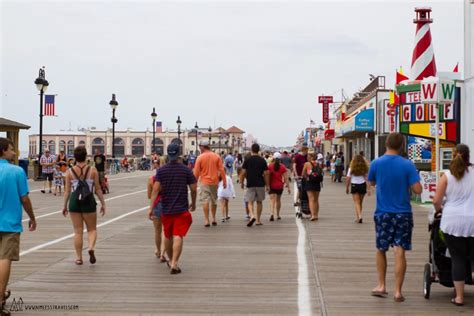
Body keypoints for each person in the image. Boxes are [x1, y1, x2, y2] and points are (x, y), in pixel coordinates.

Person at [367, 132, 422, 302]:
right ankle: (398, 291)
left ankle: (382, 285)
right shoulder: (408, 165)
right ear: (402, 146)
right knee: (400, 251)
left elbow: (371, 182)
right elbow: (418, 190)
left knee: (381, 249)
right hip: (403, 213)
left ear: (386, 144)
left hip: (383, 213)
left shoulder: (376, 163)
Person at [433, 144, 474, 306]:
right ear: (468, 156)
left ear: (454, 156)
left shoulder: (447, 176)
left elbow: (436, 200)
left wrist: (439, 210)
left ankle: (459, 297)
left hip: (452, 222)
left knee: (457, 258)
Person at [0, 138, 36, 316]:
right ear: (4, 151)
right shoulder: (16, 171)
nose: (14, 153)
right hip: (9, 222)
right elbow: (24, 199)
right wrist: (32, 217)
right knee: (5, 258)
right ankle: (0, 298)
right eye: (12, 149)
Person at [150, 143, 197, 274]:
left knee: (168, 235)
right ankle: (175, 262)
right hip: (181, 208)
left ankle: (171, 260)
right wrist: (193, 202)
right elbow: (193, 188)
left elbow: (155, 190)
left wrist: (151, 208)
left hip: (166, 209)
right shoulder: (186, 170)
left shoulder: (161, 171)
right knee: (178, 235)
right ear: (178, 154)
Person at [63, 146, 106, 265]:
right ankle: (91, 247)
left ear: (74, 157)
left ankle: (78, 258)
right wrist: (103, 203)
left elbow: (67, 191)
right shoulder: (93, 170)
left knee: (78, 231)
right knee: (92, 229)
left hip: (74, 201)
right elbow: (97, 189)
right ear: (86, 156)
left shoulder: (69, 172)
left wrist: (64, 206)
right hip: (89, 201)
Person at [193, 141, 227, 227]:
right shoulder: (216, 156)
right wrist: (224, 181)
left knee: (205, 200)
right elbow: (222, 170)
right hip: (214, 182)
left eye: (200, 146)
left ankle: (206, 220)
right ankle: (214, 218)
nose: (199, 148)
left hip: (204, 182)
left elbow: (196, 172)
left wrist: (194, 183)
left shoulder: (200, 157)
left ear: (203, 147)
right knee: (213, 200)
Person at [239, 143, 269, 227]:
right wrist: (267, 185)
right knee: (259, 202)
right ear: (258, 150)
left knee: (250, 201)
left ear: (251, 150)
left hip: (250, 183)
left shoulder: (247, 160)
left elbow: (243, 172)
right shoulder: (262, 160)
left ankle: (252, 216)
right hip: (260, 183)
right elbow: (266, 173)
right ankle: (258, 220)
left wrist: (241, 182)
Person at [147, 159, 167, 262]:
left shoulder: (152, 179)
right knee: (165, 230)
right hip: (168, 203)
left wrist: (150, 208)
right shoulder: (168, 177)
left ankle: (158, 250)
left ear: (156, 164)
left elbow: (149, 195)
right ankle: (163, 252)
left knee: (157, 230)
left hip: (156, 204)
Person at [346, 154, 370, 223]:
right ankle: (358, 217)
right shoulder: (364, 168)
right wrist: (368, 189)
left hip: (354, 185)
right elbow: (367, 179)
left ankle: (359, 216)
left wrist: (347, 187)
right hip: (362, 185)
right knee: (360, 202)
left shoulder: (351, 168)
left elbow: (348, 178)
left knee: (357, 202)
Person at [268, 152, 290, 221]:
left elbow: (267, 176)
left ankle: (272, 213)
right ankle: (277, 215)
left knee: (272, 200)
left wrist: (267, 185)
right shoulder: (282, 167)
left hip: (272, 185)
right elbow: (286, 178)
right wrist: (288, 187)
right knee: (278, 200)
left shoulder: (270, 166)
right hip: (279, 186)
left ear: (273, 158)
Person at [301, 152, 324, 221]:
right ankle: (316, 215)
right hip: (317, 183)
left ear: (310, 157)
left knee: (311, 199)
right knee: (316, 200)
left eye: (308, 156)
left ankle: (313, 215)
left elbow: (303, 174)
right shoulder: (319, 164)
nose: (307, 157)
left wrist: (307, 177)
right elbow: (321, 173)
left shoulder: (307, 164)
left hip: (310, 183)